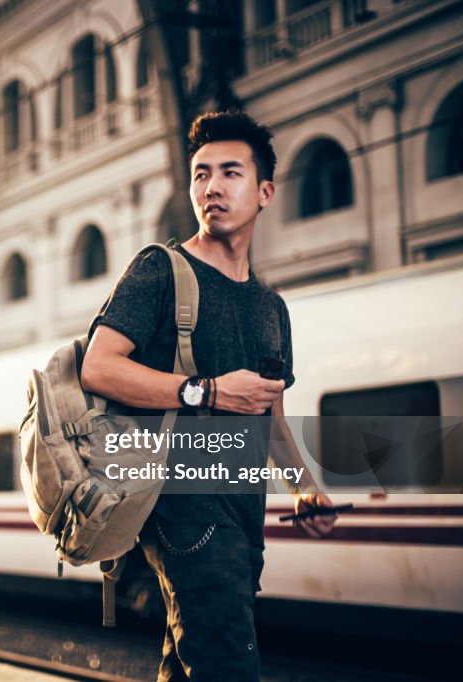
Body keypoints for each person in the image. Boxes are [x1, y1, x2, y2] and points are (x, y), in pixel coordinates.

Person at [80, 111, 337, 681]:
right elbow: (98, 369)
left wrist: (303, 488)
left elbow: (270, 415)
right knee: (228, 663)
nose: (211, 187)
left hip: (245, 508)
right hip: (182, 503)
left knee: (195, 658)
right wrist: (209, 390)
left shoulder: (272, 309)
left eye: (230, 172)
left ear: (265, 191)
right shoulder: (159, 271)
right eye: (200, 174)